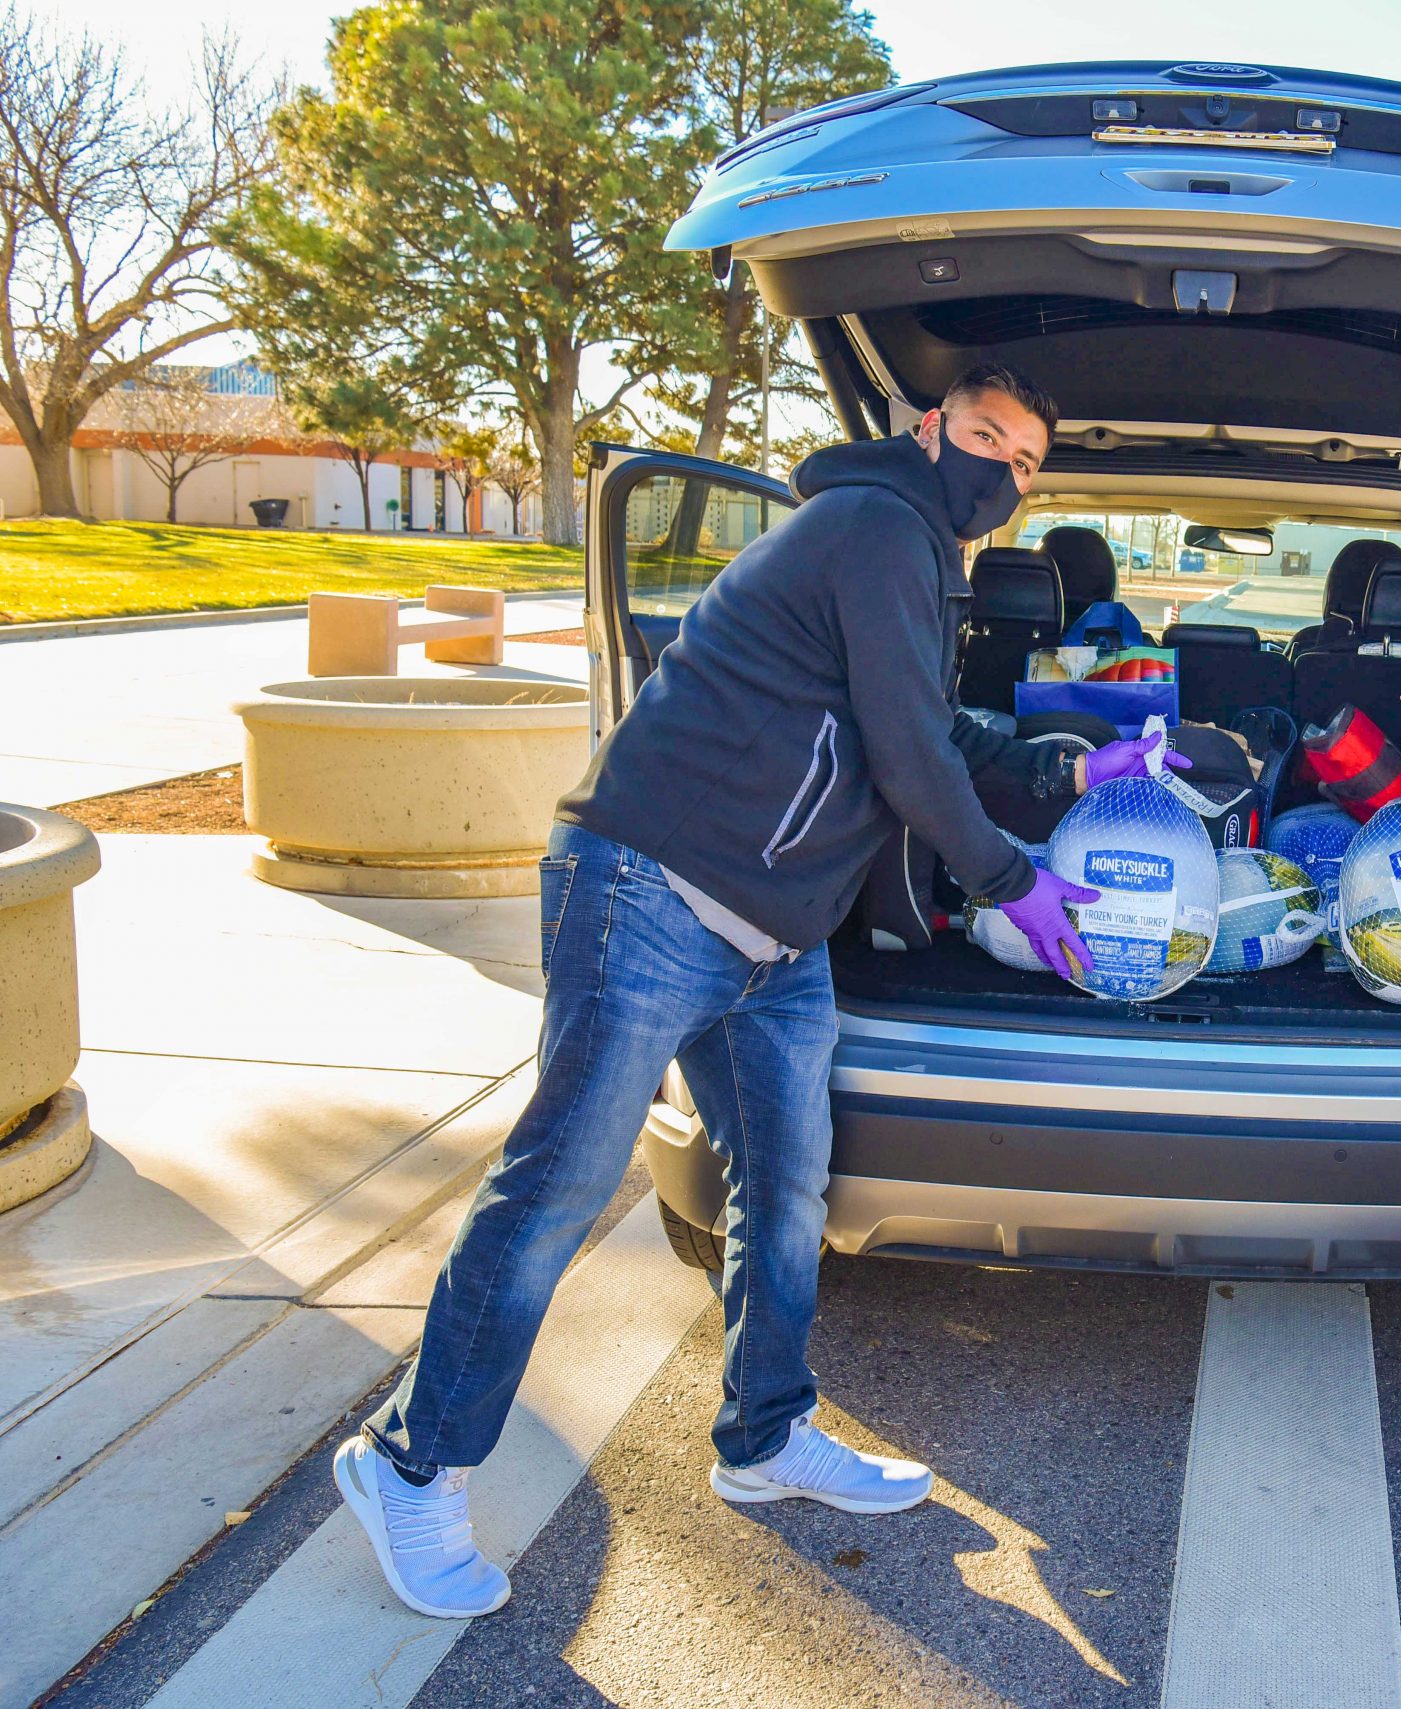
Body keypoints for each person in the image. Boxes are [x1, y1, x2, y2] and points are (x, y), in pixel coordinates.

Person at [333, 364, 1178, 1619]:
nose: (1006, 472)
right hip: (654, 884)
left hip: (776, 935)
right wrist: (1011, 883)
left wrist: (1068, 764)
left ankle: (763, 1435)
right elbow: (905, 755)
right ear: (926, 426)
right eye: (989, 437)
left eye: (1029, 462)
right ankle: (409, 1459)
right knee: (559, 1179)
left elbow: (929, 726)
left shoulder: (912, 556)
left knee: (782, 1189)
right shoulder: (875, 524)